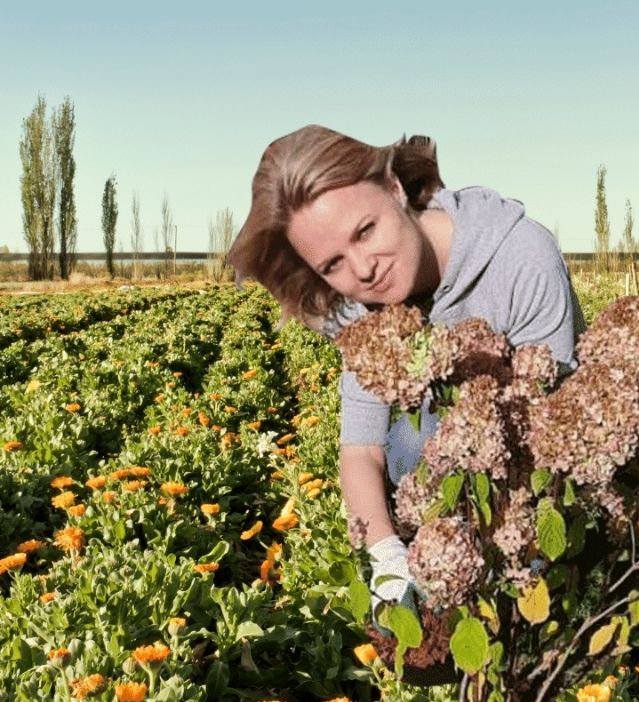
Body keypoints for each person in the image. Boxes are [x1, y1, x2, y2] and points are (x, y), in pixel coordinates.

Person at [228, 125, 582, 611]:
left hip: (543, 483)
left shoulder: (520, 259)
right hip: (438, 511)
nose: (364, 268)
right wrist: (388, 562)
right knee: (415, 437)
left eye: (365, 231)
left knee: (425, 433)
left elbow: (557, 432)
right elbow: (362, 451)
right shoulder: (359, 306)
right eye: (333, 264)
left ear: (394, 189)